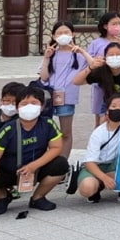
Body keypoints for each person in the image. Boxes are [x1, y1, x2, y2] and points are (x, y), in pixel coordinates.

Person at [0, 86, 70, 215]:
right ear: (17, 108)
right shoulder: (8, 129)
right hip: (8, 171)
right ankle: (3, 196)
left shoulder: (48, 124)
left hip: (35, 169)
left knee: (61, 164)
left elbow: (56, 148)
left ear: (42, 106)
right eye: (24, 103)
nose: (29, 107)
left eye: (34, 103)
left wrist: (34, 165)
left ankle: (38, 198)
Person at [37, 21, 94, 158]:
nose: (63, 35)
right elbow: (44, 77)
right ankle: (43, 159)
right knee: (44, 130)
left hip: (67, 98)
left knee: (66, 133)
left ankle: (62, 162)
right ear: (53, 36)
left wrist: (82, 51)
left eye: (66, 32)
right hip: (48, 97)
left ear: (73, 34)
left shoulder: (79, 56)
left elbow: (94, 65)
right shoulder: (51, 54)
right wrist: (46, 58)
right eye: (59, 33)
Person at [76, 93, 120, 204]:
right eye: (113, 106)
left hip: (114, 165)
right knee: (87, 188)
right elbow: (89, 162)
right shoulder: (98, 133)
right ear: (107, 110)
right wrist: (104, 178)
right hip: (96, 165)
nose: (117, 109)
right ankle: (97, 186)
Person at [85, 12, 120, 125]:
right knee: (100, 117)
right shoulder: (96, 43)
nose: (117, 26)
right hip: (101, 84)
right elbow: (89, 61)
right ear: (105, 26)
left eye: (119, 23)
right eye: (114, 23)